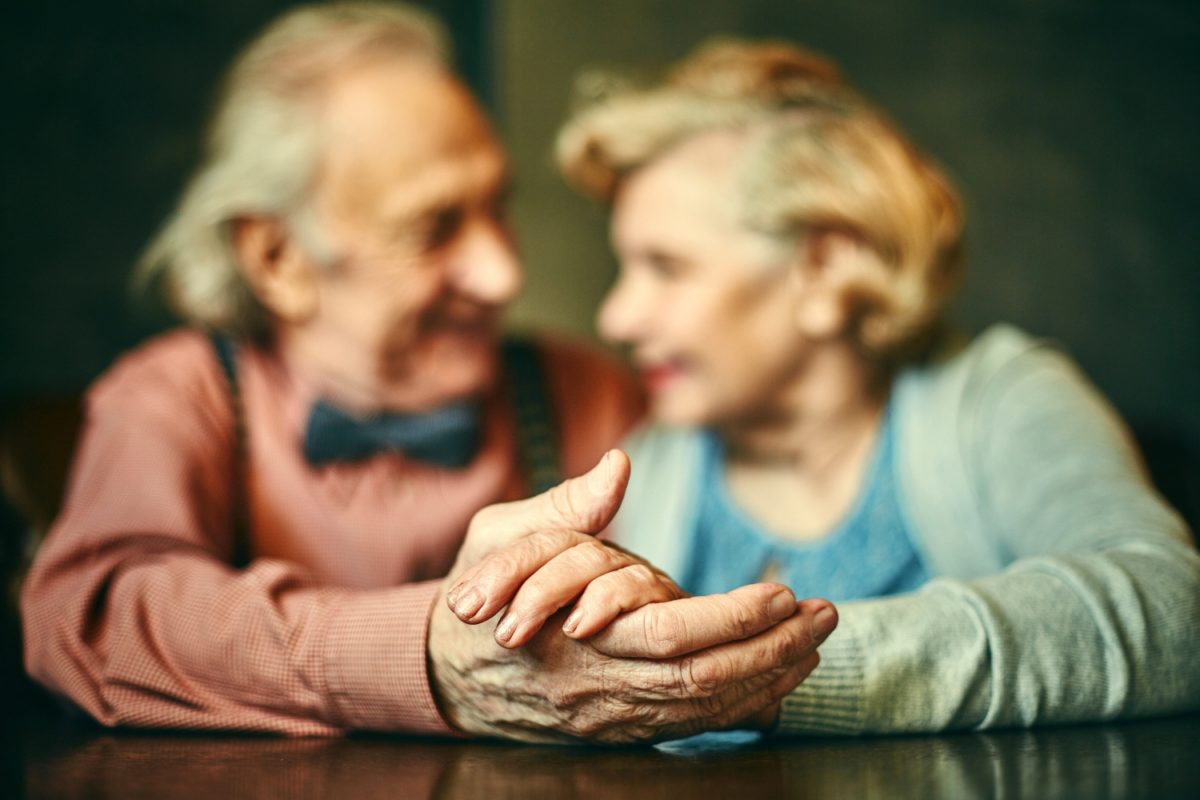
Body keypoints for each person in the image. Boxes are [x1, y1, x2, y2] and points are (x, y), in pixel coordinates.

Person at [20, 6, 837, 743]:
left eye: (497, 208)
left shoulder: (587, 393)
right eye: (435, 226)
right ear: (276, 259)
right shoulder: (175, 396)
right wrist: (423, 657)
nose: (501, 272)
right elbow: (91, 620)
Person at [448, 39, 1200, 734]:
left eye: (666, 267)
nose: (616, 315)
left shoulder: (998, 399)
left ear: (827, 266)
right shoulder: (656, 461)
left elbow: (1176, 614)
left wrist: (774, 674)